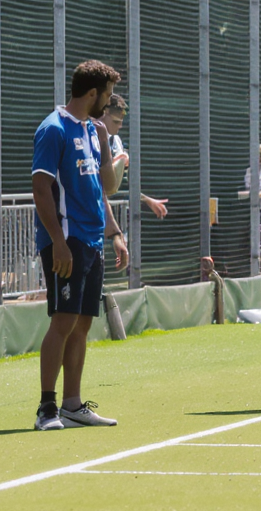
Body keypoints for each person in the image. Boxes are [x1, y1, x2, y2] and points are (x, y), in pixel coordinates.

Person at [30, 60, 130, 431]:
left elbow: (105, 187)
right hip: (66, 240)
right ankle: (47, 409)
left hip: (91, 239)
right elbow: (41, 189)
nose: (109, 102)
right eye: (107, 95)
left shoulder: (92, 129)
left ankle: (72, 405)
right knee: (63, 321)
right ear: (92, 94)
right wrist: (58, 242)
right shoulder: (53, 128)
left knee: (83, 324)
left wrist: (115, 233)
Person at [94, 94, 169, 219]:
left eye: (121, 122)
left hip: (111, 212)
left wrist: (146, 200)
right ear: (103, 114)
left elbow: (115, 188)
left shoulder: (115, 141)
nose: (120, 126)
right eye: (116, 122)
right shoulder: (88, 139)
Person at [243, 144, 261, 259]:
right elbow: (247, 189)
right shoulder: (249, 171)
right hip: (248, 208)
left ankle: (259, 261)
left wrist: (255, 195)